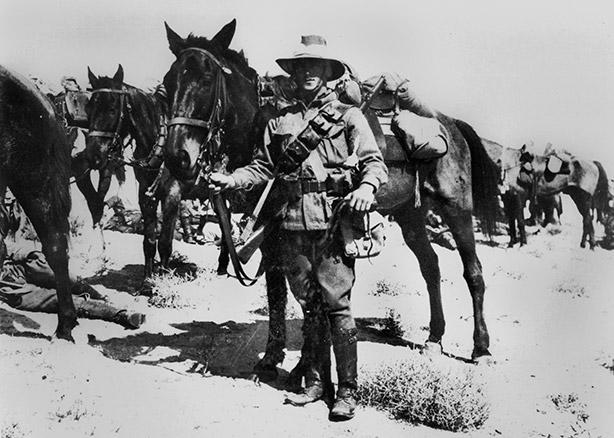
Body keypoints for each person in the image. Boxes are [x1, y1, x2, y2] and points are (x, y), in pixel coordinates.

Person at [209, 35, 388, 421]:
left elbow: (375, 163)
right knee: (309, 306)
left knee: (337, 306)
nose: (308, 72)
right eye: (301, 66)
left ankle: (348, 391)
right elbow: (263, 168)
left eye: (315, 66)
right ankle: (315, 382)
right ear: (293, 73)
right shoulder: (279, 120)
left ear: (327, 73)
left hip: (332, 223)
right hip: (291, 222)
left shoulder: (347, 115)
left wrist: (367, 188)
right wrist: (231, 180)